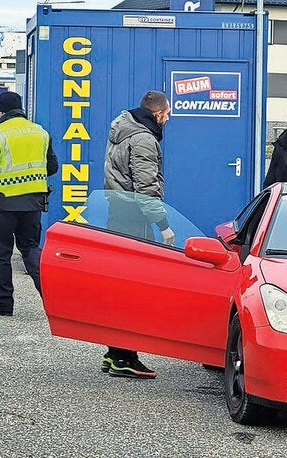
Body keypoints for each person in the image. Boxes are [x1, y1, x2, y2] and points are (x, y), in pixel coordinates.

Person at [99, 90, 174, 379]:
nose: (168, 118)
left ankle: (114, 351)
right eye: (167, 113)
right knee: (133, 289)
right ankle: (124, 356)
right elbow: (146, 189)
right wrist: (163, 224)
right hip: (134, 219)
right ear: (157, 113)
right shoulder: (143, 138)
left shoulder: (122, 128)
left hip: (117, 213)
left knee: (119, 287)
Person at [0, 91, 58, 317]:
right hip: (34, 204)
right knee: (30, 250)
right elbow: (52, 167)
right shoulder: (40, 133)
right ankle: (53, 301)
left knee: (2, 253)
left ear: (1, 110)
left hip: (4, 204)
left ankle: (4, 304)